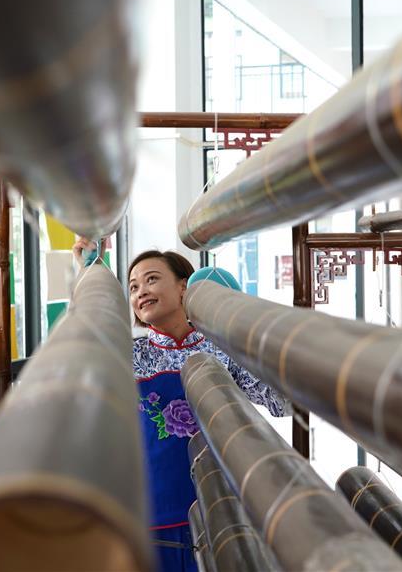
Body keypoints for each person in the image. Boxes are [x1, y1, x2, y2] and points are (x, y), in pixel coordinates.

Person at [74, 238, 287, 572]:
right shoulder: (129, 355)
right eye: (133, 286)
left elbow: (279, 402)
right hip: (149, 516)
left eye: (152, 279)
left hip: (224, 512)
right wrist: (88, 268)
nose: (140, 290)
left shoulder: (223, 349)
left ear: (184, 288)